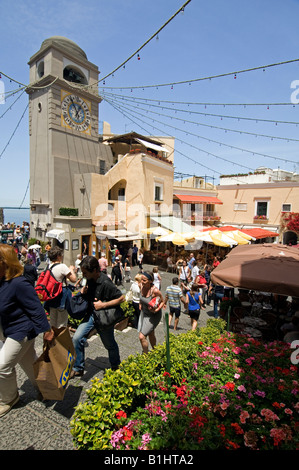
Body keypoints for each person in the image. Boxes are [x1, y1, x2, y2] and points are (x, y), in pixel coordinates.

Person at [0, 244, 54, 417]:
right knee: (29, 362)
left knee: (2, 366)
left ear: (4, 262)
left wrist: (47, 331)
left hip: (21, 331)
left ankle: (9, 398)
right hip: (9, 330)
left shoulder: (19, 283)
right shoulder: (2, 282)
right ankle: (45, 388)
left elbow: (36, 308)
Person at [71, 256, 124, 377]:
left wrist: (103, 305)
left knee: (109, 345)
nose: (83, 275)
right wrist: (84, 291)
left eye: (85, 273)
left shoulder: (106, 282)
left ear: (95, 270)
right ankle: (78, 367)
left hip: (103, 318)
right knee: (77, 338)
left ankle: (116, 366)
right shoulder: (90, 279)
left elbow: (121, 298)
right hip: (91, 315)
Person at [45, 246, 77, 328]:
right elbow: (73, 279)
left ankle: (53, 339)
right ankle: (60, 339)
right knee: (62, 323)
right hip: (61, 295)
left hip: (51, 296)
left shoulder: (48, 266)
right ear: (58, 256)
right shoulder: (62, 266)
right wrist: (71, 270)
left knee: (53, 321)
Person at [138, 271, 164, 354]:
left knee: (142, 337)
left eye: (144, 280)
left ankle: (145, 355)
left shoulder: (155, 291)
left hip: (153, 315)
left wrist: (157, 309)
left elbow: (163, 301)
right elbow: (141, 297)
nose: (142, 282)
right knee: (151, 333)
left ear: (150, 281)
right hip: (145, 313)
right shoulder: (141, 286)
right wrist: (140, 303)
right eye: (141, 279)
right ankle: (155, 350)